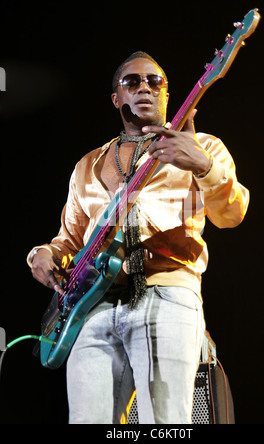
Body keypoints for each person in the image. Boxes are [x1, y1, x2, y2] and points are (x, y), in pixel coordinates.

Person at [27, 51, 249, 424]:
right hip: (92, 308)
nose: (145, 87)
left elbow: (233, 213)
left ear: (166, 94)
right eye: (132, 81)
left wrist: (202, 166)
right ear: (117, 98)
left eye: (155, 81)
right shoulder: (88, 165)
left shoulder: (203, 147)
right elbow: (67, 240)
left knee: (163, 423)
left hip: (166, 293)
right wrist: (40, 255)